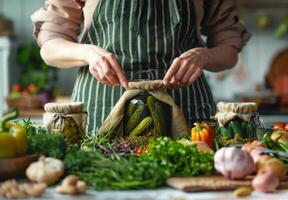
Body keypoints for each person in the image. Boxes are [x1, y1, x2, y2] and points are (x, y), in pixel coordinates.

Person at [31, 0, 250, 132]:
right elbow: (50, 47)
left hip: (186, 107)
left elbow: (228, 48)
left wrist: (204, 56)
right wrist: (88, 53)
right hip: (102, 107)